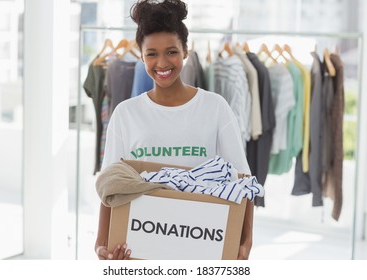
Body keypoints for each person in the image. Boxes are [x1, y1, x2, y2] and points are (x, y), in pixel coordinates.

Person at [94, 0, 254, 260]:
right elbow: (110, 185)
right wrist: (101, 243)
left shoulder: (215, 108)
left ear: (185, 51)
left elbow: (243, 182)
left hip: (201, 247)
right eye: (152, 54)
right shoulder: (126, 113)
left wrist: (245, 243)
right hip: (141, 246)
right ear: (141, 55)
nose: (162, 63)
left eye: (171, 52)